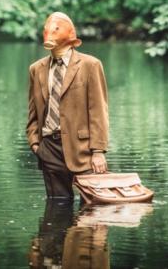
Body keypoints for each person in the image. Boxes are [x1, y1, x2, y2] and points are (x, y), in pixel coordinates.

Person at [26, 11, 109, 200]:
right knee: (57, 207)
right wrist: (36, 145)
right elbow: (33, 112)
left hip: (83, 150)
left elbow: (98, 111)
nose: (50, 32)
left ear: (70, 37)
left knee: (94, 209)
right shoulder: (36, 69)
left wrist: (98, 151)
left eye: (56, 29)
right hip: (49, 149)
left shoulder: (90, 65)